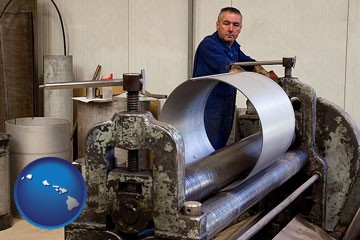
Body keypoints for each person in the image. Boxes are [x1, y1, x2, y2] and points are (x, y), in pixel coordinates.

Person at [192, 6, 269, 150]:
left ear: (240, 28)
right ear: (217, 25)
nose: (231, 29)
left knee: (220, 150)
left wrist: (269, 77)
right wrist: (258, 86)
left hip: (225, 107)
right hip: (207, 108)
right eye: (226, 23)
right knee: (206, 151)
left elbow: (249, 63)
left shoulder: (233, 48)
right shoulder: (209, 45)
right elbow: (233, 69)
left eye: (236, 25)